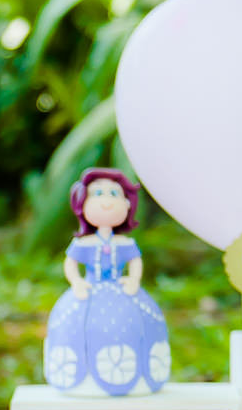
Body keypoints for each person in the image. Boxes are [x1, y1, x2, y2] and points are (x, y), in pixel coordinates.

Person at [42, 168, 170, 397]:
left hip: (123, 290)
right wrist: (77, 283)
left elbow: (135, 261)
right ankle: (78, 375)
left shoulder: (124, 242)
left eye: (114, 194)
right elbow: (70, 264)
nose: (106, 201)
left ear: (128, 204)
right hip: (88, 290)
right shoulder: (84, 243)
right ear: (82, 202)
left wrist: (133, 279)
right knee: (75, 322)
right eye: (97, 193)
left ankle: (136, 373)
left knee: (139, 321)